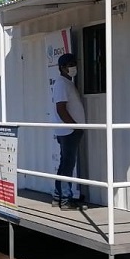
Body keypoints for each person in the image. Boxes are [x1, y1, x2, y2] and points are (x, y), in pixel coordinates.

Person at [51, 53, 86, 210]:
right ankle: (65, 200)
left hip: (69, 130)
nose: (73, 67)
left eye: (74, 64)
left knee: (65, 163)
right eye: (70, 65)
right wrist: (74, 126)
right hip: (68, 132)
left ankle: (58, 197)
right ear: (62, 68)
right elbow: (61, 109)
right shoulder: (61, 84)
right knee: (68, 165)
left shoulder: (67, 83)